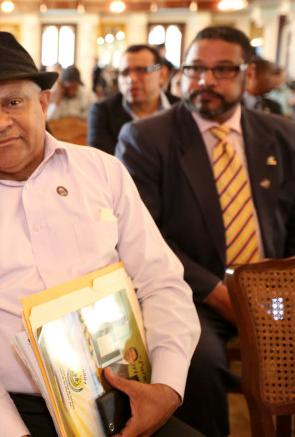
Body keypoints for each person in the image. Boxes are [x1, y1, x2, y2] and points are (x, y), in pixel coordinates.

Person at [0, 31, 201, 437]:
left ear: (44, 102)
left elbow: (160, 282)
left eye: (13, 102)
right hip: (0, 404)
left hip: (119, 390)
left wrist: (166, 388)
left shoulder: (103, 171)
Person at [116, 25, 295, 437]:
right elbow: (145, 238)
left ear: (249, 74)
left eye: (223, 70)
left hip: (274, 290)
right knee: (198, 363)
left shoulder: (282, 135)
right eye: (196, 68)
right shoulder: (146, 138)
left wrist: (281, 285)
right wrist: (218, 292)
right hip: (194, 292)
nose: (205, 81)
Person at [88, 45, 179, 155]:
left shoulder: (181, 108)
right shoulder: (102, 111)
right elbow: (101, 161)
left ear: (162, 74)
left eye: (142, 70)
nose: (132, 79)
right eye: (125, 72)